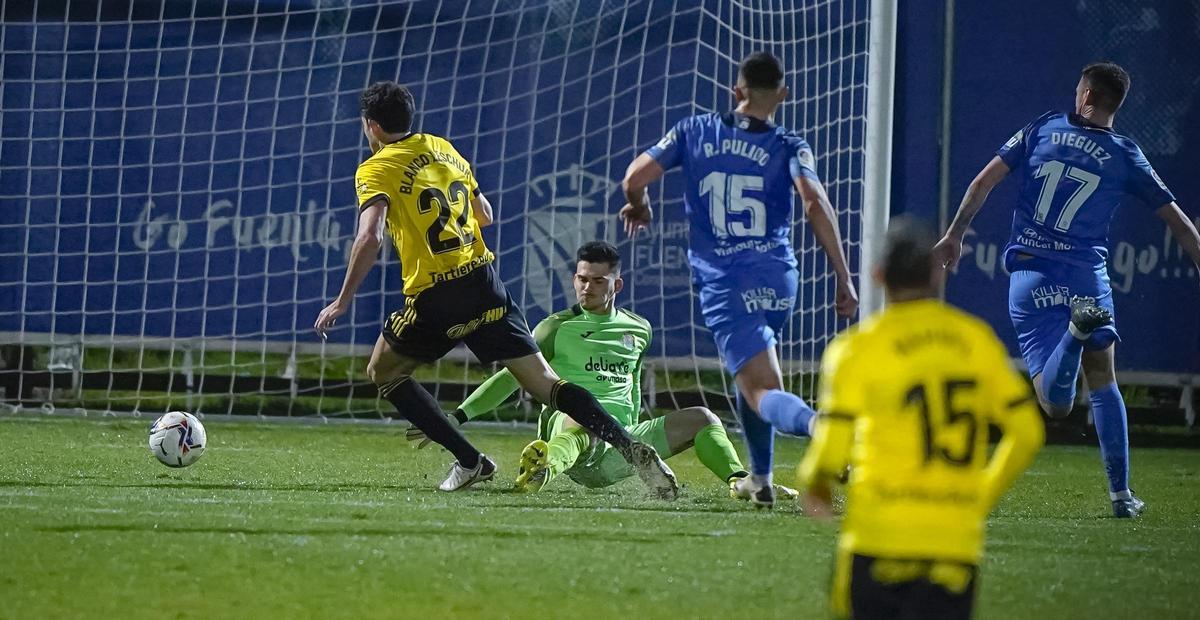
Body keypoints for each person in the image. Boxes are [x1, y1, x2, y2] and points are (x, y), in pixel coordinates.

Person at [314, 81, 678, 497]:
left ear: (372, 126)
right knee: (546, 383)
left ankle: (471, 461)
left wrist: (342, 301)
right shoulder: (443, 147)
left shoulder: (375, 167)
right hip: (484, 281)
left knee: (384, 371)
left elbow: (371, 236)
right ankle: (630, 447)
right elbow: (485, 214)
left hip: (437, 292)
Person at [932, 62, 1200, 517]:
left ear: (1088, 97)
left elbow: (983, 182)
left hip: (1030, 273)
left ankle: (1074, 335)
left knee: (1055, 407)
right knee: (1103, 379)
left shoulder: (1042, 128)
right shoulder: (1126, 154)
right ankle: (1120, 496)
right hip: (1084, 276)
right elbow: (1179, 224)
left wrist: (955, 234)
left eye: (1079, 88)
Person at [619, 52, 858, 507]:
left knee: (760, 388)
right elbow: (814, 203)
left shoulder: (694, 130)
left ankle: (820, 427)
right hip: (779, 277)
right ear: (782, 96)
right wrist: (843, 277)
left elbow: (634, 176)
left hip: (727, 282)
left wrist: (641, 205)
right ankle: (760, 479)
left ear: (736, 91)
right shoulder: (790, 144)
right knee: (751, 379)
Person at [800, 217, 1045, 620]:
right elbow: (1027, 432)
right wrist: (979, 495)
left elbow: (830, 449)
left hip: (880, 538)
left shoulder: (856, 350)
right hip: (953, 543)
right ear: (936, 272)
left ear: (878, 275)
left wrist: (816, 482)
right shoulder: (976, 340)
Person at [422, 241, 791, 497]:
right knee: (583, 416)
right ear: (574, 279)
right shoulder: (554, 327)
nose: (588, 287)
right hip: (573, 440)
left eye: (598, 280)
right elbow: (513, 375)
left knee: (704, 417)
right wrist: (459, 415)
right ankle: (543, 466)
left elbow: (630, 388)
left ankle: (742, 481)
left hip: (626, 444)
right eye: (582, 279)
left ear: (617, 284)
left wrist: (637, 431)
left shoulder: (639, 328)